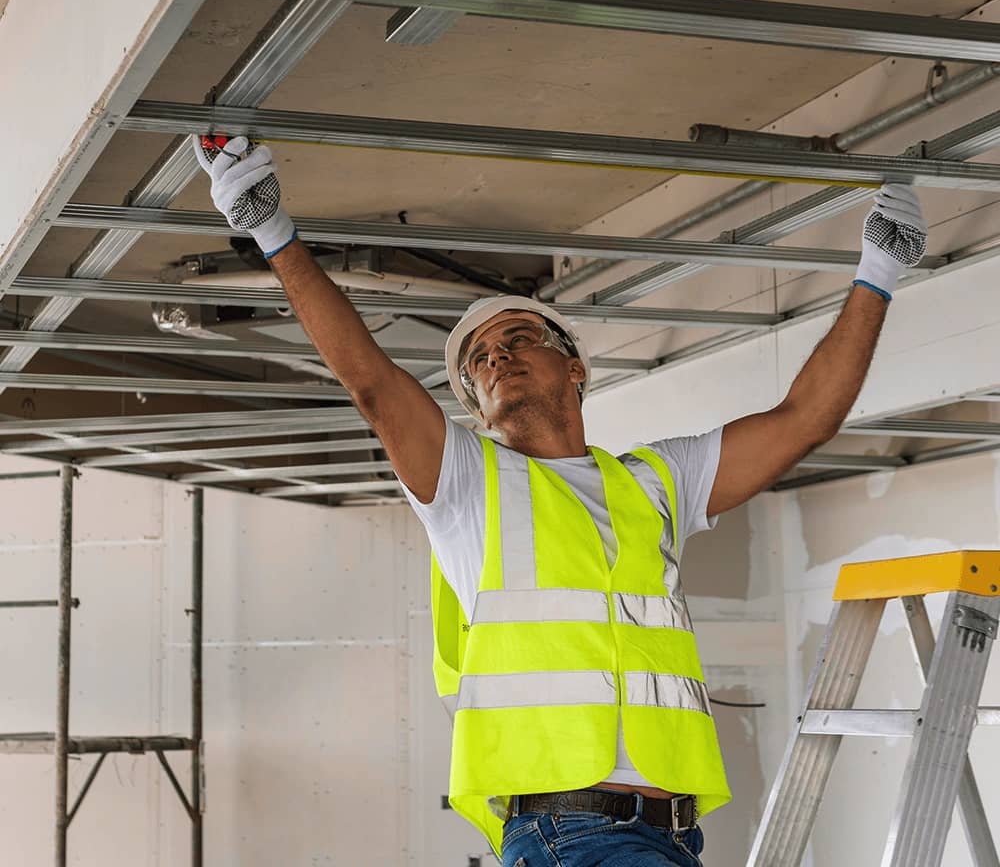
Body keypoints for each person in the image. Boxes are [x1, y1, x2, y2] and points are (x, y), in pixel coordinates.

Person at [194, 136, 928, 866]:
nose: (495, 358)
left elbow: (804, 420)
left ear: (574, 367)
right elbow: (375, 386)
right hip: (570, 835)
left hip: (668, 834)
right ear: (476, 408)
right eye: (479, 362)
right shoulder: (466, 487)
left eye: (516, 338)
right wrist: (272, 232)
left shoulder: (654, 484)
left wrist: (879, 269)